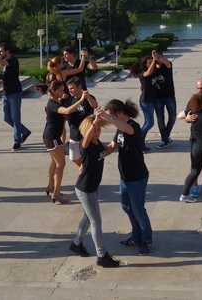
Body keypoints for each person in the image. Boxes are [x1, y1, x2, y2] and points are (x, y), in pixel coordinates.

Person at [69, 114, 121, 268]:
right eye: (94, 130)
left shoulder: (97, 143)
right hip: (86, 189)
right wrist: (94, 123)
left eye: (99, 129)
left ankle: (76, 243)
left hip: (92, 187)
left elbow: (108, 150)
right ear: (87, 130)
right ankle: (101, 255)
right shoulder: (85, 145)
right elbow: (86, 139)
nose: (97, 132)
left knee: (87, 217)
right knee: (96, 221)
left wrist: (120, 132)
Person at [103, 99, 153, 256]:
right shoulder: (119, 129)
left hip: (137, 178)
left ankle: (146, 241)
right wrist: (97, 151)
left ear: (118, 114)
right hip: (124, 178)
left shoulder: (133, 127)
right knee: (127, 208)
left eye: (111, 116)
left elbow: (127, 129)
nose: (110, 120)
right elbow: (111, 147)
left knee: (139, 211)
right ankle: (136, 237)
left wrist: (109, 118)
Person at [34, 80, 90, 204]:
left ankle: (50, 186)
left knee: (54, 163)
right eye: (60, 91)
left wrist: (63, 98)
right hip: (52, 137)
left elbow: (63, 115)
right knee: (60, 164)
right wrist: (81, 100)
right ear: (53, 92)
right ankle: (57, 193)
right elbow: (66, 111)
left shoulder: (56, 101)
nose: (63, 93)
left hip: (51, 137)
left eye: (63, 90)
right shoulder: (52, 104)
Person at [0, 41, 31, 151]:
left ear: (7, 51)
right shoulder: (6, 62)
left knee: (15, 118)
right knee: (6, 117)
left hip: (15, 93)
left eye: (1, 51)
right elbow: (8, 77)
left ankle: (17, 141)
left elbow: (1, 63)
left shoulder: (13, 60)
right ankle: (25, 131)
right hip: (6, 93)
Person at [62, 76, 98, 166]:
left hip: (86, 133)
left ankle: (85, 171)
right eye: (69, 88)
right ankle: (84, 168)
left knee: (87, 157)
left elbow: (95, 105)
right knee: (73, 158)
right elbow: (66, 113)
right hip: (74, 133)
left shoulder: (88, 98)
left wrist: (88, 97)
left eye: (72, 88)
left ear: (79, 87)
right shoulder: (70, 99)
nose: (70, 90)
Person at [129, 55, 157, 151]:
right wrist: (154, 59)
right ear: (145, 65)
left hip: (151, 100)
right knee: (149, 123)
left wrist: (156, 84)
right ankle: (138, 141)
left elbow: (150, 82)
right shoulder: (143, 73)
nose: (151, 64)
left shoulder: (152, 73)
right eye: (149, 63)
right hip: (146, 101)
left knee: (147, 123)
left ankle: (140, 142)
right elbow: (148, 73)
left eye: (151, 62)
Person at [150, 49, 177, 149]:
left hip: (169, 95)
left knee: (173, 117)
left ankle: (166, 136)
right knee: (160, 119)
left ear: (161, 55)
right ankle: (165, 139)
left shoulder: (167, 65)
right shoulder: (152, 67)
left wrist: (158, 57)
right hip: (157, 98)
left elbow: (167, 62)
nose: (155, 57)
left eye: (157, 55)